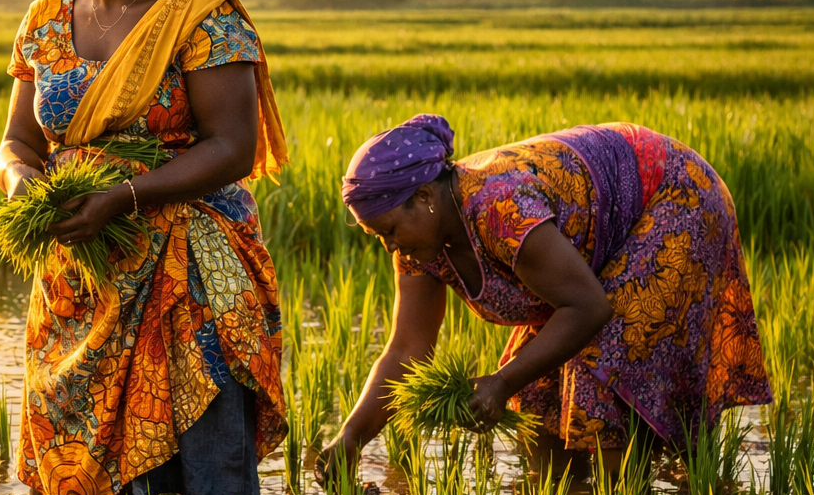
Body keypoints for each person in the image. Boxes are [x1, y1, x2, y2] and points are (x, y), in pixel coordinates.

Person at [0, 0, 290, 495]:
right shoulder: (44, 18)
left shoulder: (205, 16)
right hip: (79, 276)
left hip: (186, 271)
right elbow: (15, 143)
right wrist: (22, 185)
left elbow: (231, 147)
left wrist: (123, 198)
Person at [320, 114, 772, 475]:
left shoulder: (501, 208)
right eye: (377, 236)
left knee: (602, 367)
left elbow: (588, 307)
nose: (390, 246)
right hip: (602, 240)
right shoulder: (418, 249)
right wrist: (351, 439)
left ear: (424, 197)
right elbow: (407, 348)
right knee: (539, 393)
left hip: (673, 195)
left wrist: (501, 382)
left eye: (390, 230)